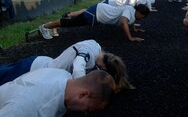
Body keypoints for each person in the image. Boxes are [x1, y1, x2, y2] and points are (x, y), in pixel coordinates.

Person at [0, 39, 134, 91]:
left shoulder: (96, 46)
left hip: (38, 64)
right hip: (32, 69)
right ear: (104, 69)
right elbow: (78, 67)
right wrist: (84, 88)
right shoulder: (87, 55)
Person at [39, 3, 150, 42]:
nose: (142, 18)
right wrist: (130, 38)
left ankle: (54, 24)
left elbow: (131, 21)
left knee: (74, 21)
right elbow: (123, 22)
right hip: (95, 13)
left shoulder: (132, 11)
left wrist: (135, 29)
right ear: (139, 12)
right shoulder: (129, 11)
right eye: (142, 16)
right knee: (71, 23)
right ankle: (45, 26)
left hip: (98, 11)